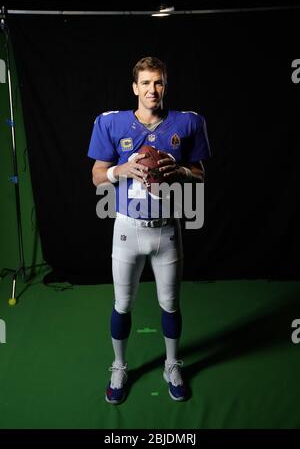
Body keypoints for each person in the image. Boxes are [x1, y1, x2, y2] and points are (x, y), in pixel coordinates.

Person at [88, 56, 210, 404]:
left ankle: (172, 363)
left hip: (167, 230)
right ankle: (119, 365)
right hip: (127, 228)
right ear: (134, 88)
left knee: (170, 305)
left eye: (157, 82)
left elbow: (200, 173)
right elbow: (97, 175)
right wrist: (120, 170)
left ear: (164, 86)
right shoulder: (112, 124)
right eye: (145, 83)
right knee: (122, 305)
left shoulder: (186, 123)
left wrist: (181, 172)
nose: (151, 89)